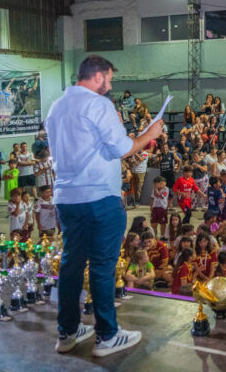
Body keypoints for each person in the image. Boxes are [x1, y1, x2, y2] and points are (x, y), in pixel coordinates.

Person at [46, 55, 164, 357]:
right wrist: (150, 134)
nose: (110, 85)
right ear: (97, 76)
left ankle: (67, 331)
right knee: (102, 265)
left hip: (67, 198)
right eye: (109, 79)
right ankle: (107, 336)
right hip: (99, 197)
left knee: (71, 265)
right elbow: (123, 148)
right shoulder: (98, 105)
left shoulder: (57, 107)